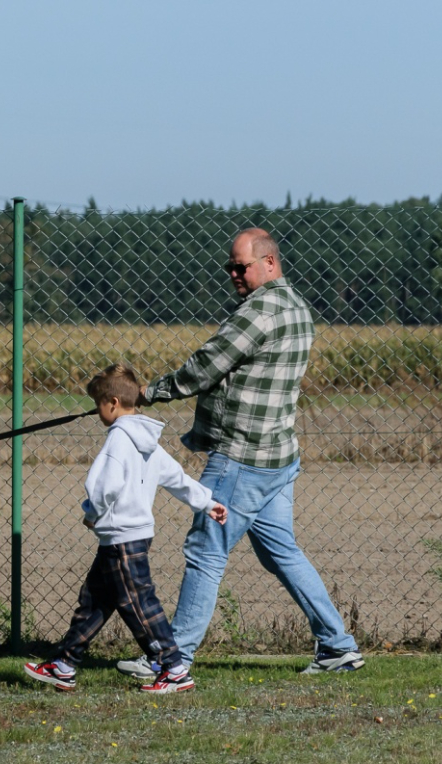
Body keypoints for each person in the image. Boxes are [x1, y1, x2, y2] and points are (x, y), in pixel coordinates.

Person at [116, 228, 365, 680]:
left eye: (241, 267)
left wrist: (147, 393)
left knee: (205, 553)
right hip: (279, 456)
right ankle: (336, 646)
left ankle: (173, 659)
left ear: (269, 263)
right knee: (281, 552)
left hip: (242, 458)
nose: (233, 274)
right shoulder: (298, 308)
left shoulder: (259, 311)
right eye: (229, 267)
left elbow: (206, 366)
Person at [24, 363, 228, 694]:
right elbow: (175, 476)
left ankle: (173, 668)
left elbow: (103, 486)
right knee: (94, 603)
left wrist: (91, 512)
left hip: (122, 537)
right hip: (129, 536)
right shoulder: (146, 439)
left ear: (114, 403)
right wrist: (206, 501)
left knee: (139, 605)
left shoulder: (119, 438)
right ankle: (63, 664)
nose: (98, 412)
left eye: (98, 405)